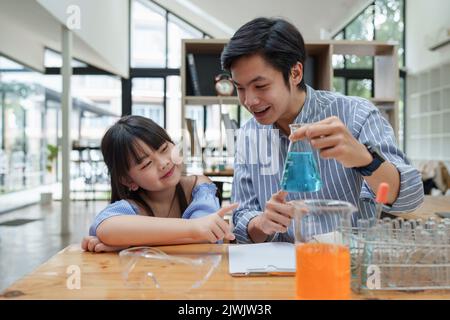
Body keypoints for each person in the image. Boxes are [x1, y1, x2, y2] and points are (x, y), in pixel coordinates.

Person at [221, 17, 424, 244]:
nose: (249, 101)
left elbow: (411, 198)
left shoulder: (356, 115)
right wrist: (261, 223)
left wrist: (365, 159)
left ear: (295, 73)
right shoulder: (250, 135)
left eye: (261, 86)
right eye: (240, 88)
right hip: (278, 272)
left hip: (349, 268)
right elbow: (241, 219)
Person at [82, 115, 236, 252]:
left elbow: (206, 236)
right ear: (128, 180)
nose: (163, 163)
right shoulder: (132, 207)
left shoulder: (197, 186)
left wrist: (132, 241)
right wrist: (194, 228)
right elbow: (106, 228)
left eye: (164, 149)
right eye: (146, 164)